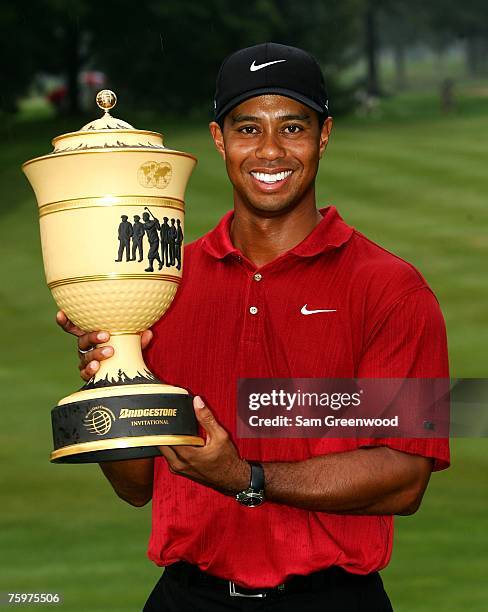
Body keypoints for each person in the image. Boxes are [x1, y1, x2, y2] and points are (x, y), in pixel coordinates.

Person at [56, 43, 449, 611]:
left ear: (324, 135)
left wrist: (244, 476)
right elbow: (136, 486)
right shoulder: (160, 284)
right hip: (186, 596)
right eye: (248, 128)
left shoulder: (393, 290)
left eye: (292, 126)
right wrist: (114, 375)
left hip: (332, 600)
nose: (269, 150)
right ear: (219, 139)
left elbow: (405, 478)